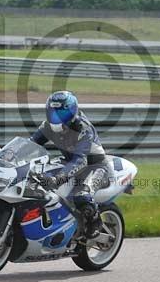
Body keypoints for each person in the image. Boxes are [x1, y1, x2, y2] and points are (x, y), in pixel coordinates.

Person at [30, 90, 108, 239]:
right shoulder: (47, 126)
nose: (57, 118)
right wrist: (10, 155)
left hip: (94, 167)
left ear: (73, 112)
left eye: (62, 114)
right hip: (68, 162)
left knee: (82, 196)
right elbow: (31, 144)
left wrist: (58, 179)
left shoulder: (83, 128)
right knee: (36, 183)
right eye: (54, 114)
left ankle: (95, 222)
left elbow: (80, 160)